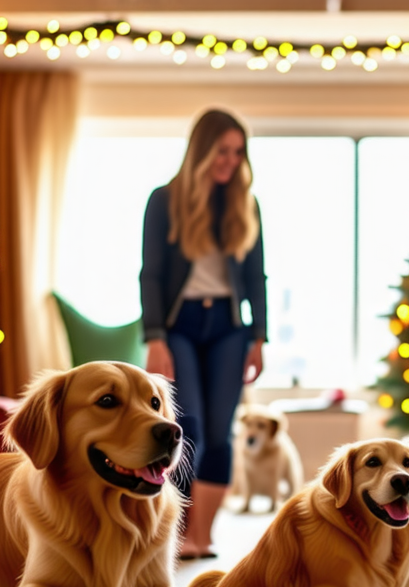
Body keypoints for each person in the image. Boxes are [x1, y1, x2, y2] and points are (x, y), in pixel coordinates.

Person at [140, 108, 267, 560]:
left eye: (238, 153)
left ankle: (203, 534)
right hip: (180, 327)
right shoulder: (164, 200)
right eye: (223, 151)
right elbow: (150, 275)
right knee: (184, 423)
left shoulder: (244, 205)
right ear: (202, 148)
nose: (230, 161)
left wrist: (259, 339)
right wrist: (154, 337)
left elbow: (256, 278)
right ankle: (176, 530)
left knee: (218, 431)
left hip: (231, 329)